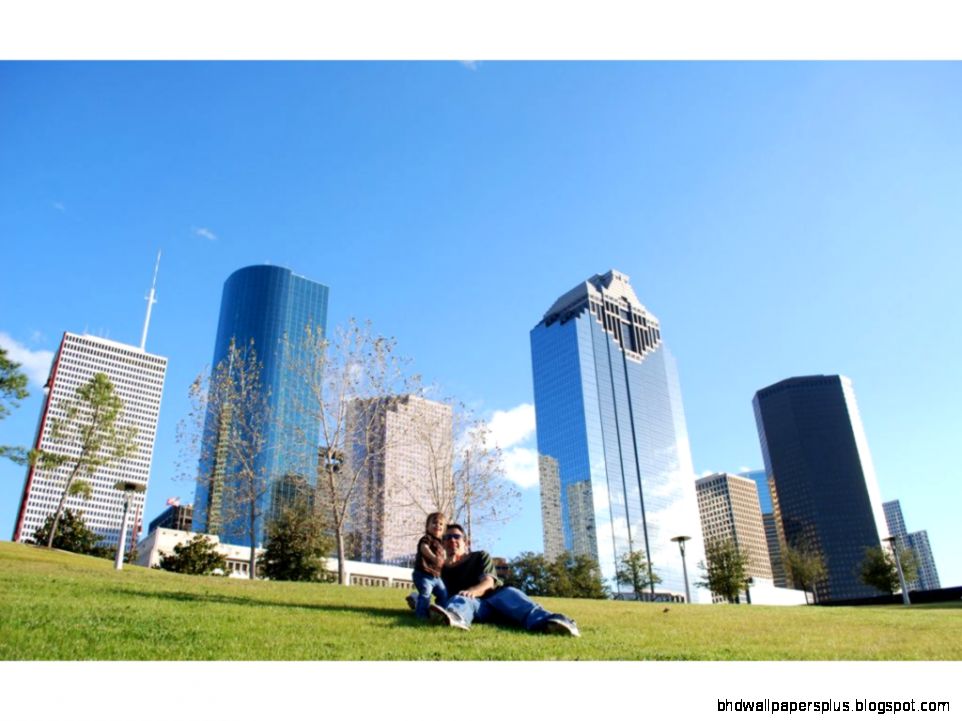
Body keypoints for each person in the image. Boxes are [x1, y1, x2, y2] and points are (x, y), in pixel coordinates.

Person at [426, 523, 580, 636]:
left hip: (496, 596)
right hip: (477, 607)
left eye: (456, 536)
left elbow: (488, 581)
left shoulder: (480, 556)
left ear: (466, 542)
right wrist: (419, 599)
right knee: (461, 600)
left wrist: (472, 591)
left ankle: (556, 623)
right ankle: (455, 618)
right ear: (443, 543)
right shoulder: (441, 570)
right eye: (447, 537)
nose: (452, 540)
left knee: (512, 595)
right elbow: (438, 595)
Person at [410, 511, 449, 619]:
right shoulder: (427, 538)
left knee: (443, 594)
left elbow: (443, 558)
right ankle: (421, 616)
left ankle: (439, 613)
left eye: (441, 524)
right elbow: (424, 548)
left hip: (436, 577)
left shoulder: (441, 543)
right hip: (423, 574)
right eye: (434, 523)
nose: (438, 525)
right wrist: (433, 557)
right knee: (426, 593)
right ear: (427, 527)